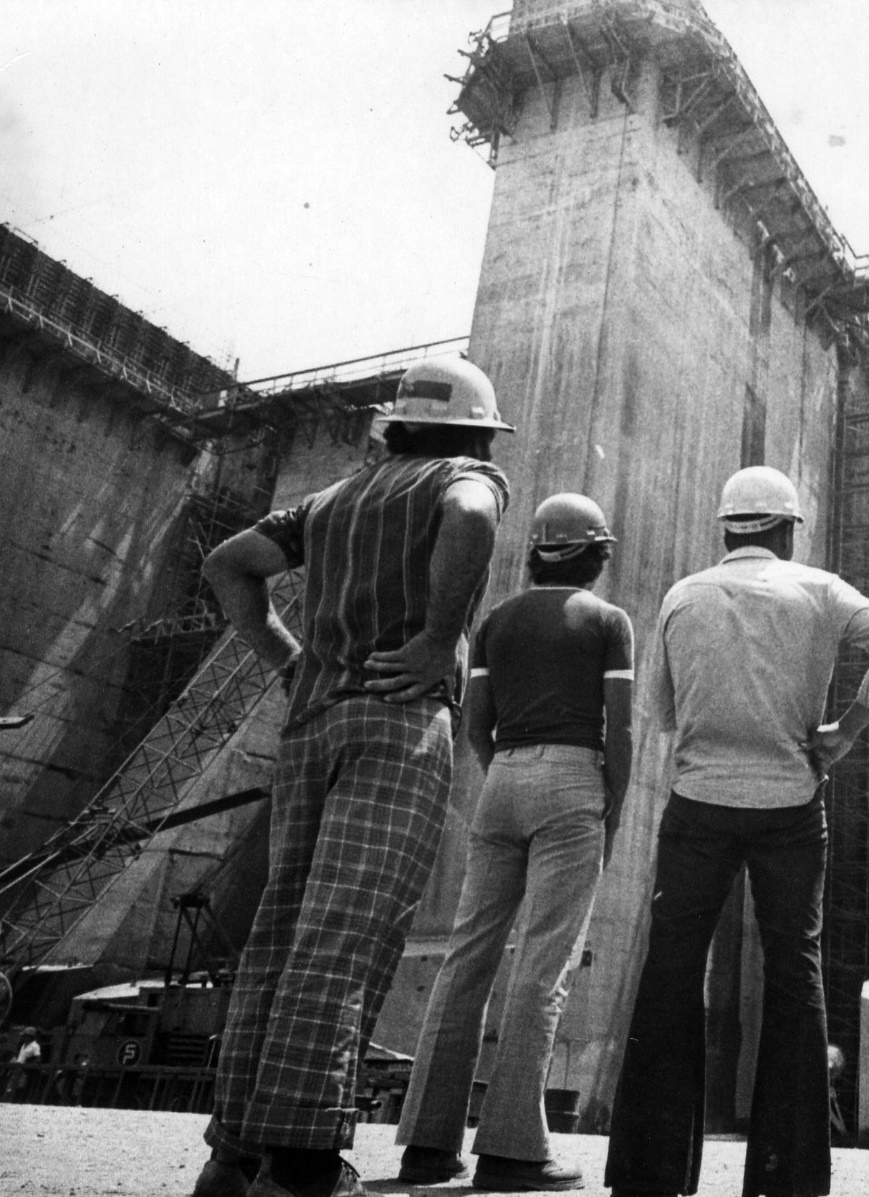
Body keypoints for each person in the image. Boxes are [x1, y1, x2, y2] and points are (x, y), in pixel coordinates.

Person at [193, 356, 512, 1197]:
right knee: (349, 929)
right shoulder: (463, 475)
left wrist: (290, 662)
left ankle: (235, 1154)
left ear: (394, 423)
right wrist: (440, 637)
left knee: (282, 928)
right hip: (395, 721)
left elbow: (230, 562)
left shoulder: (332, 499)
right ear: (477, 431)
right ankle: (300, 1164)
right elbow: (473, 512)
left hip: (310, 725)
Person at [604, 465, 869, 1197]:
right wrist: (846, 729)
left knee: (671, 969)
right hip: (789, 805)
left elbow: (662, 711)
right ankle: (789, 1174)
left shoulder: (682, 595)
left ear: (726, 529)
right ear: (785, 529)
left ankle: (651, 1172)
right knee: (794, 970)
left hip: (698, 803)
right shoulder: (822, 590)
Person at [395, 493, 634, 1193]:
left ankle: (427, 1147)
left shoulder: (496, 619)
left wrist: (502, 766)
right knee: (541, 965)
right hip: (572, 780)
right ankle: (512, 1151)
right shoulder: (608, 622)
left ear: (533, 551)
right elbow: (617, 729)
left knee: (467, 956)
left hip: (501, 777)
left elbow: (475, 719)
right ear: (597, 554)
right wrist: (609, 802)